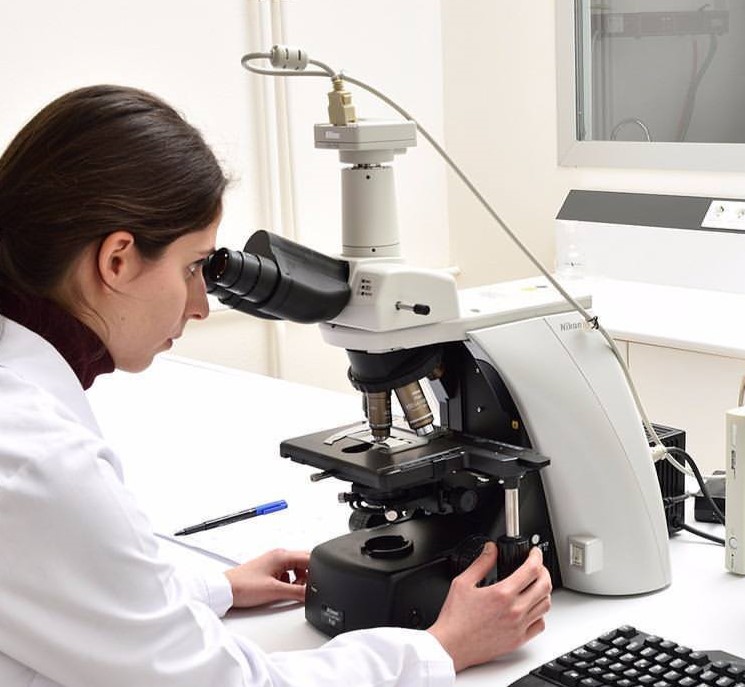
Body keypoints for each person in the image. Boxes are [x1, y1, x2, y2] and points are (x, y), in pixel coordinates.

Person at [0, 85, 552, 687]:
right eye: (192, 267)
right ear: (117, 260)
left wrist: (213, 586)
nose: (201, 305)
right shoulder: (43, 462)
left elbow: (54, 581)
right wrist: (443, 648)